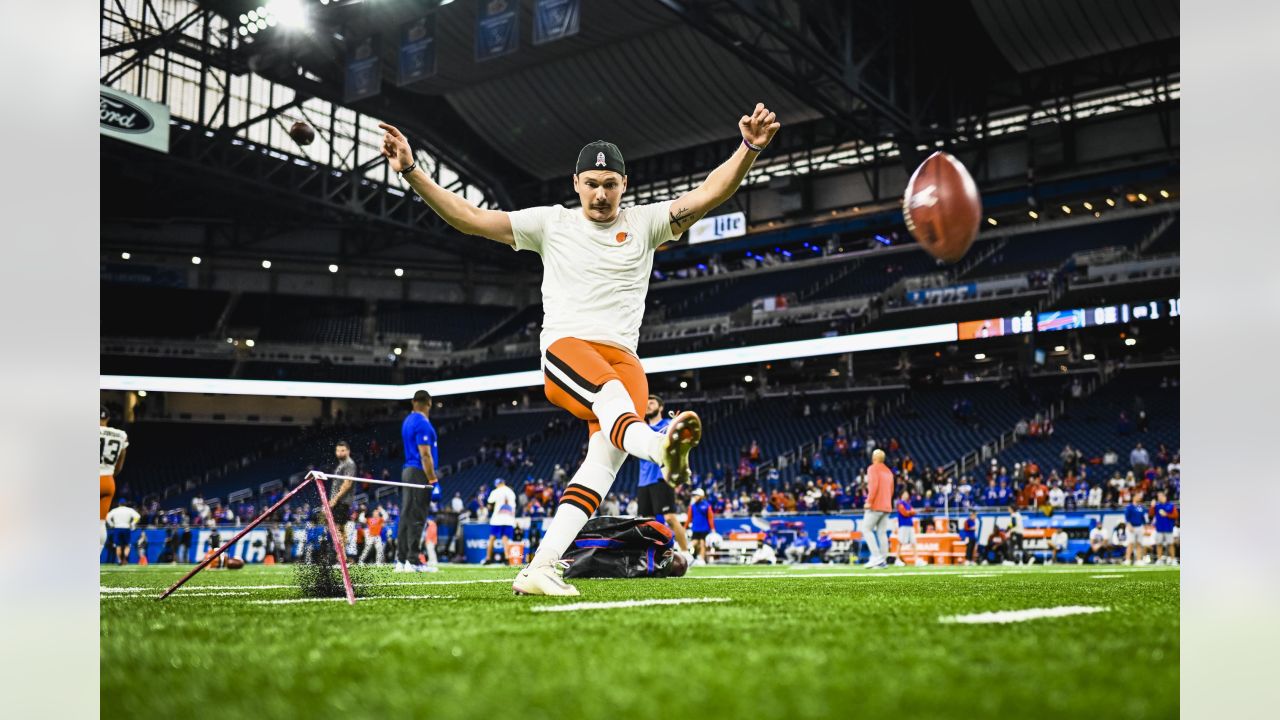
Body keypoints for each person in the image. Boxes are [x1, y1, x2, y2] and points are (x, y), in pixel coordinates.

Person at [381, 103, 781, 596]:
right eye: (591, 182)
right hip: (568, 349)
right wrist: (413, 171)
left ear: (624, 185)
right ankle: (658, 446)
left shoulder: (648, 223)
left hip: (625, 358)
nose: (600, 192)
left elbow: (709, 194)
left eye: (609, 183)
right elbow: (469, 218)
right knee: (617, 406)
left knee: (603, 464)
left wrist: (750, 148)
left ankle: (541, 567)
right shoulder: (551, 224)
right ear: (576, 184)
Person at [635, 395, 691, 557]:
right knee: (646, 523)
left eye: (652, 403)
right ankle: (650, 556)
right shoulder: (640, 428)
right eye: (645, 403)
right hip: (643, 480)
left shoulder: (668, 425)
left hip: (662, 477)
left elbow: (680, 440)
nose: (647, 406)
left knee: (670, 517)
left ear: (660, 408)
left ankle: (687, 554)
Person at [396, 390, 438, 573]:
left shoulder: (407, 421)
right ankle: (413, 561)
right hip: (419, 472)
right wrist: (433, 479)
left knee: (406, 515)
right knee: (417, 516)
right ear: (429, 403)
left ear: (413, 402)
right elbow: (425, 455)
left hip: (407, 471)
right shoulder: (423, 423)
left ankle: (401, 560)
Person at [99, 406, 129, 550]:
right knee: (99, 523)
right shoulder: (120, 434)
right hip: (108, 480)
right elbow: (119, 465)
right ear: (108, 418)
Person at [862, 450, 894, 568]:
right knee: (882, 533)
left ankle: (876, 557)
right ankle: (883, 560)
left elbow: (873, 486)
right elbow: (891, 490)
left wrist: (869, 501)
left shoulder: (872, 468)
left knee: (866, 529)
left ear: (874, 458)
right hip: (886, 505)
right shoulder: (889, 471)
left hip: (876, 505)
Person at [327, 440, 357, 555]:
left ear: (348, 451)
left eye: (343, 450)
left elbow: (347, 483)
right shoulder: (342, 465)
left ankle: (342, 557)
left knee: (337, 528)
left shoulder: (349, 464)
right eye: (338, 450)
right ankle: (342, 556)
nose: (340, 453)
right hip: (339, 501)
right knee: (338, 528)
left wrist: (335, 499)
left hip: (342, 501)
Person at [485, 478, 518, 564]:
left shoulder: (496, 491)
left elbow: (489, 503)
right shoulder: (511, 492)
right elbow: (514, 507)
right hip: (509, 518)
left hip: (497, 518)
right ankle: (507, 558)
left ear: (497, 484)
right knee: (505, 539)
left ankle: (488, 558)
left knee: (492, 538)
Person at [896, 490, 926, 567]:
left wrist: (910, 512)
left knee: (914, 542)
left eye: (907, 493)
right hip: (903, 525)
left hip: (910, 525)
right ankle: (897, 559)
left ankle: (917, 560)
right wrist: (911, 512)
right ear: (901, 495)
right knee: (900, 542)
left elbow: (911, 512)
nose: (906, 495)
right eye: (905, 493)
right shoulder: (900, 503)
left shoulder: (908, 504)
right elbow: (905, 513)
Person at [104, 499, 139, 565]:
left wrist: (111, 524)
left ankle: (119, 560)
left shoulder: (115, 510)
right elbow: (137, 516)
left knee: (118, 546)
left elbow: (107, 517)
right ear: (125, 504)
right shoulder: (129, 510)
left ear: (119, 504)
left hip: (117, 528)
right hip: (126, 528)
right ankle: (125, 559)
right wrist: (132, 523)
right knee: (127, 545)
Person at [686, 488, 716, 564]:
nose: (695, 497)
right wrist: (685, 527)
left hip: (704, 528)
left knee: (703, 543)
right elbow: (689, 518)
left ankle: (702, 559)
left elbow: (710, 517)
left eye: (696, 495)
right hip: (695, 528)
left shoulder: (707, 506)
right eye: (694, 495)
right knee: (694, 543)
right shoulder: (692, 506)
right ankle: (688, 555)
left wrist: (712, 528)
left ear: (701, 496)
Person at [1152, 491, 1179, 565]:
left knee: (1170, 544)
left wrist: (1167, 514)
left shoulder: (1171, 505)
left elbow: (1176, 515)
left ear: (1164, 497)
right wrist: (1152, 506)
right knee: (1159, 544)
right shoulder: (1156, 506)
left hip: (1168, 528)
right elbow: (1150, 514)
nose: (1159, 498)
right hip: (1159, 528)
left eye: (1160, 496)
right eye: (1158, 496)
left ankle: (1173, 559)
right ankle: (1159, 559)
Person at [1124, 494, 1149, 565]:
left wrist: (1145, 527)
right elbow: (1126, 517)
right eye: (1137, 496)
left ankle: (1138, 560)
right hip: (1131, 526)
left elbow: (1144, 518)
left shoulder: (1141, 507)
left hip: (1139, 527)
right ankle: (1127, 559)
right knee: (1130, 543)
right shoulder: (1129, 507)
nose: (1139, 498)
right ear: (1133, 497)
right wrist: (1129, 525)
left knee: (1139, 544)